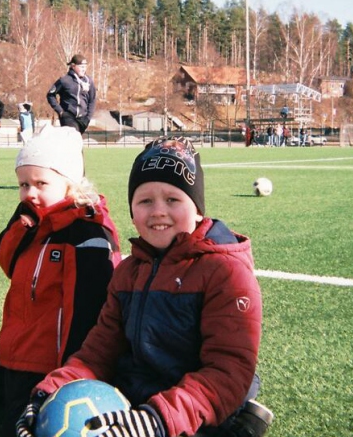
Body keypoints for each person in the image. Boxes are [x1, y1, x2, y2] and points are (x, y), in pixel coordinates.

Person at [16, 136, 272, 437]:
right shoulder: (127, 272)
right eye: (145, 200)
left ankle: (240, 423)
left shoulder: (225, 272)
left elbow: (228, 372)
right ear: (132, 210)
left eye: (172, 199)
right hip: (138, 399)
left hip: (192, 404)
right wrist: (48, 393)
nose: (158, 211)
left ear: (198, 208)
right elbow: (98, 351)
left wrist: (157, 420)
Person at [0, 126, 122, 437]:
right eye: (23, 184)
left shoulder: (86, 232)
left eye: (41, 183)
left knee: (19, 425)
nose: (30, 193)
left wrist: (69, 371)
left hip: (50, 360)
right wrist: (21, 224)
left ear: (70, 184)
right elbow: (7, 261)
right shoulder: (34, 223)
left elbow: (87, 310)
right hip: (19, 346)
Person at [47, 54, 96, 133]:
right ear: (73, 66)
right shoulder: (64, 80)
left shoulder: (89, 81)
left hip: (83, 119)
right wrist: (61, 111)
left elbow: (92, 100)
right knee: (73, 137)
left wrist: (88, 117)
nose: (84, 69)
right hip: (68, 117)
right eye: (81, 67)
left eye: (85, 66)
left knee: (76, 142)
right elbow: (50, 95)